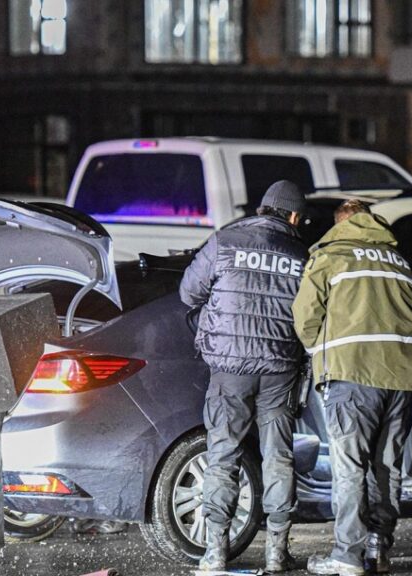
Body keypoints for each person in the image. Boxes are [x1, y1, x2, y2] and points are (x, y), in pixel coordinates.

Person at [293, 199, 412, 576]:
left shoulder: (331, 255)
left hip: (352, 374)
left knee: (350, 466)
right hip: (404, 377)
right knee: (387, 466)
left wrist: (319, 353)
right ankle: (378, 549)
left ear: (339, 224)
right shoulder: (397, 260)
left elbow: (305, 317)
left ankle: (347, 554)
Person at [179, 180, 309, 573]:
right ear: (292, 216)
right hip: (280, 369)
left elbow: (188, 293)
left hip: (229, 369)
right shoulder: (301, 255)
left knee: (222, 458)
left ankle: (215, 552)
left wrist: (213, 328)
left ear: (261, 209)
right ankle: (276, 553)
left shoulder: (225, 241)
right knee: (279, 459)